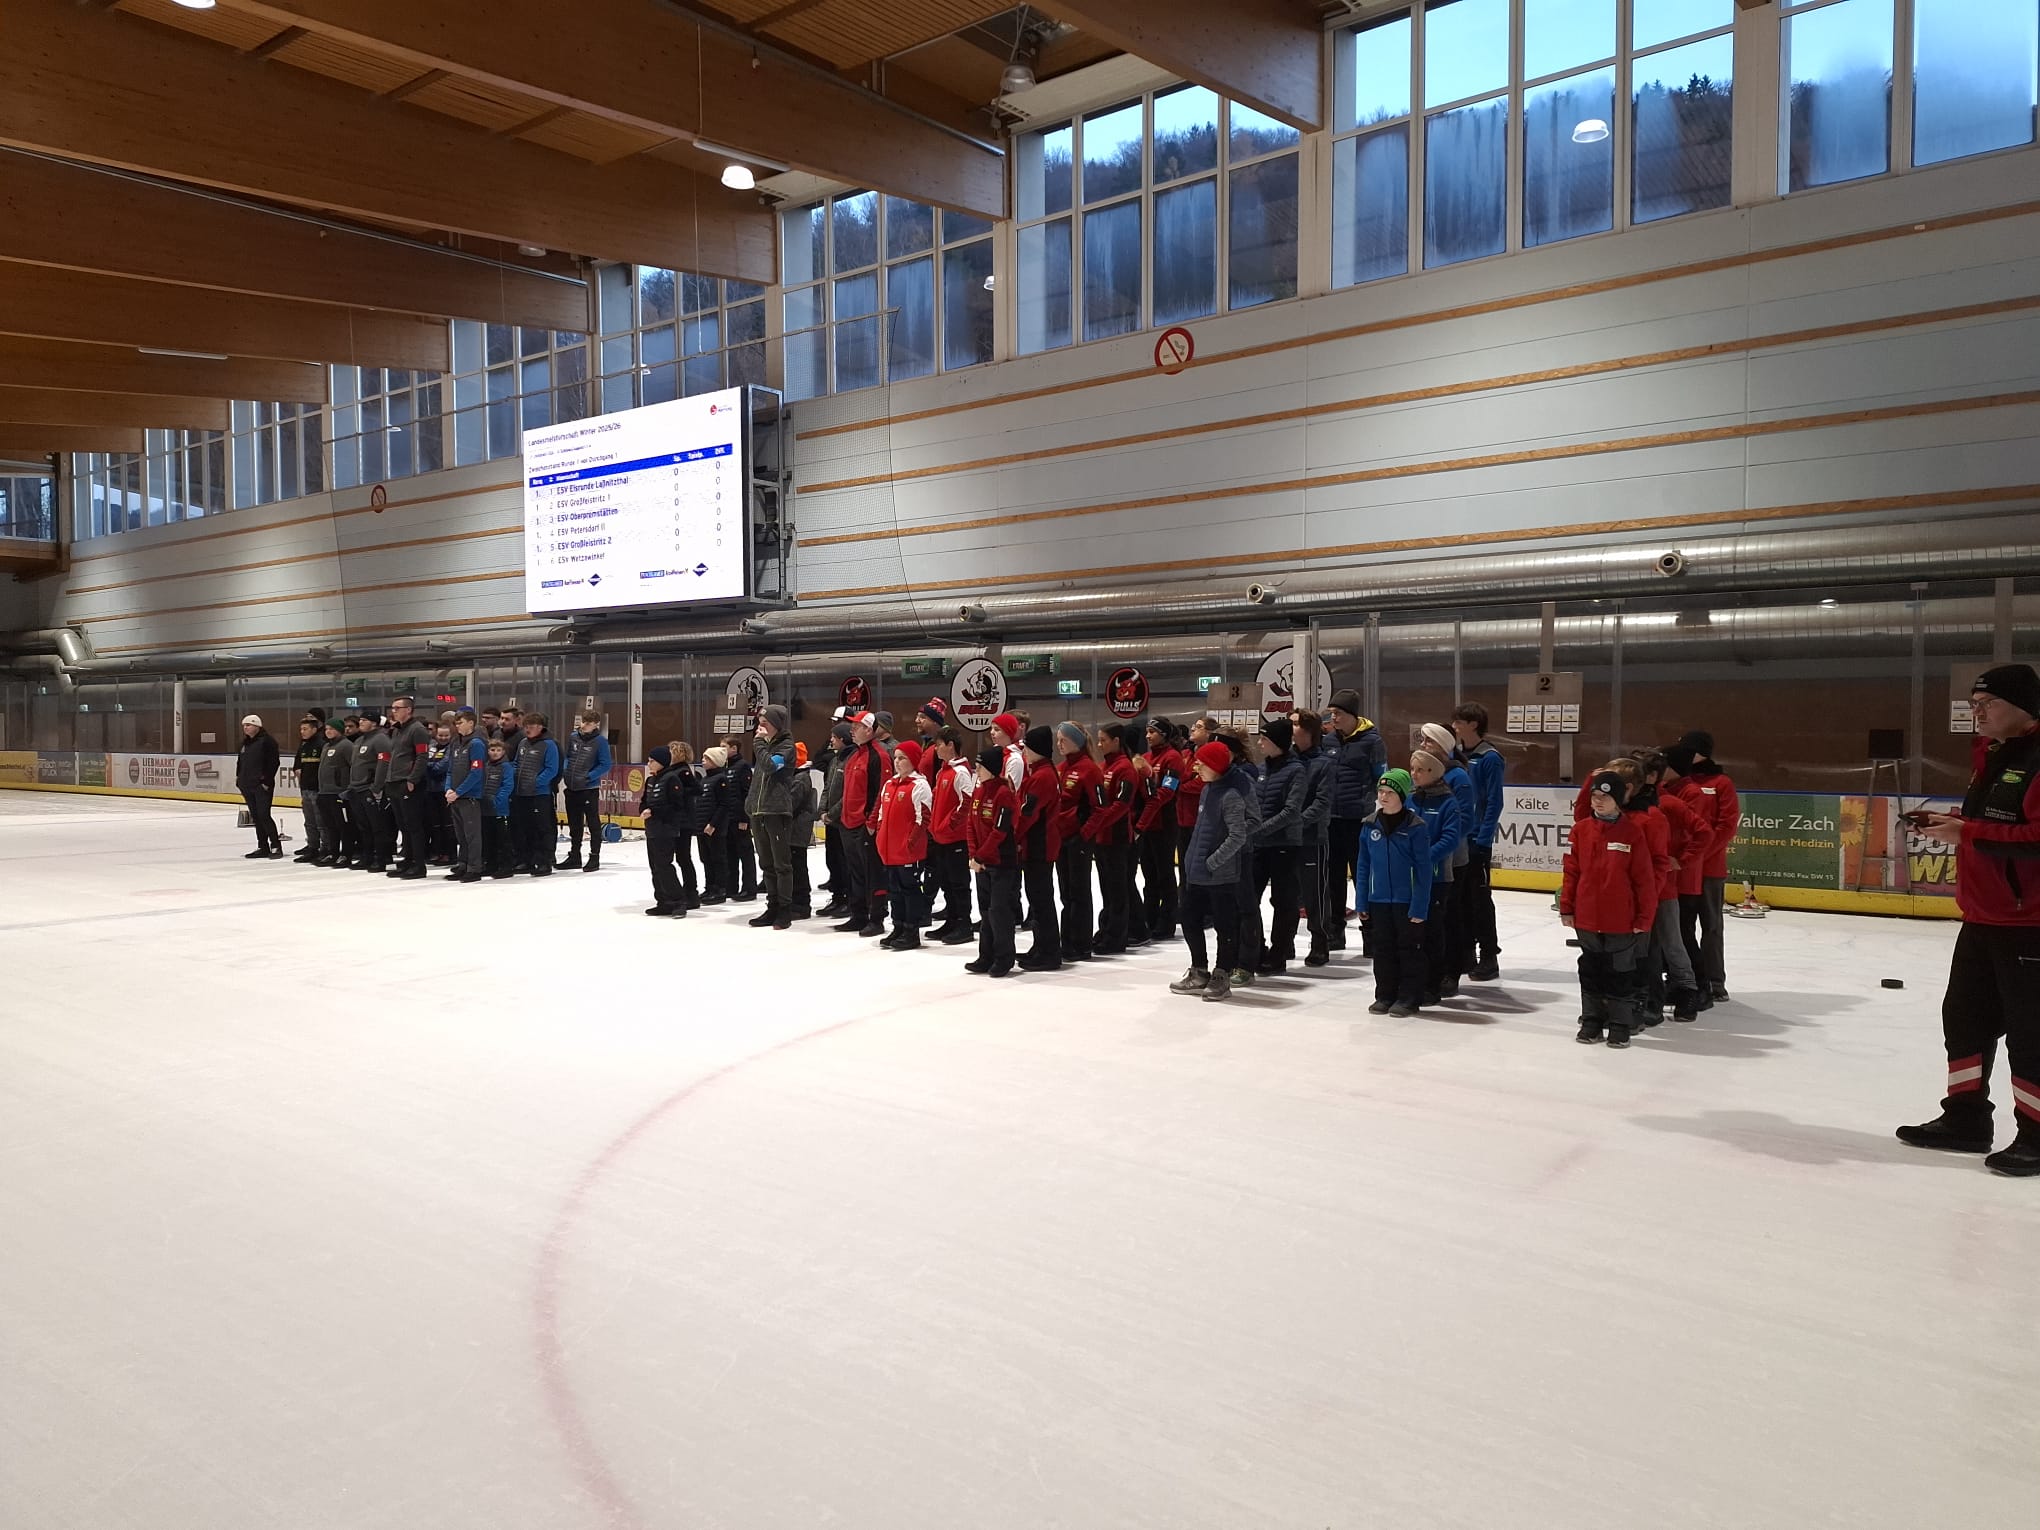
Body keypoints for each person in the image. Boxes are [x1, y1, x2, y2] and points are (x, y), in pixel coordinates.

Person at [1899, 664, 2040, 1175]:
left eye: (1987, 703)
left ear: (2023, 706)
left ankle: (2036, 1136)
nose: (1976, 712)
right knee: (1964, 1021)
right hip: (1983, 918)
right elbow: (1991, 826)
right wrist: (1956, 825)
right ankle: (1965, 1119)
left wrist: (1968, 833)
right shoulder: (1992, 755)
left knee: (2031, 1034)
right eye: (1974, 704)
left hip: (2028, 925)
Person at [1561, 770, 1660, 1049]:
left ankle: (1620, 1024)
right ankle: (1592, 1020)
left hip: (1620, 919)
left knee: (1620, 972)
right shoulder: (1581, 830)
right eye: (1595, 796)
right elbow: (1571, 871)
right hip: (1587, 917)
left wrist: (1644, 917)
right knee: (1591, 969)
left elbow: (1644, 880)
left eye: (1604, 797)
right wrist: (1567, 907)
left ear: (1618, 799)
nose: (1598, 801)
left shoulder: (1632, 833)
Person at [1171, 741, 1259, 1002]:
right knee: (1189, 918)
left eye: (1201, 763)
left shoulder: (1231, 795)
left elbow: (1238, 834)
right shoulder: (1208, 790)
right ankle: (1199, 969)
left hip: (1220, 875)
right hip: (1197, 871)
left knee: (1224, 925)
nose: (1196, 766)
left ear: (1216, 766)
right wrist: (1192, 861)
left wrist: (1213, 861)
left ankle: (1222, 974)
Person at [1359, 768, 1432, 1017]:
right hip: (1378, 899)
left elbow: (1423, 870)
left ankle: (1409, 997)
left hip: (1406, 901)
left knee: (1408, 950)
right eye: (1381, 791)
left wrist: (1419, 906)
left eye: (1389, 792)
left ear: (1402, 795)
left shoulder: (1416, 827)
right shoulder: (1369, 825)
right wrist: (1362, 901)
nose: (1383, 796)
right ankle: (1384, 994)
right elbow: (1363, 866)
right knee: (1382, 950)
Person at [1245, 717, 1308, 975]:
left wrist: (1260, 829)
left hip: (1284, 844)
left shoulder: (1296, 770)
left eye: (1264, 739)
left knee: (1283, 901)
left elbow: (1292, 810)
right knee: (1249, 898)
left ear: (1278, 743)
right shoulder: (1260, 770)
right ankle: (1256, 948)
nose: (1259, 743)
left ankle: (1279, 952)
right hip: (1259, 845)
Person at [1679, 729, 1738, 1003]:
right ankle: (1687, 978)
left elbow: (1727, 825)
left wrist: (1699, 854)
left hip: (1709, 869)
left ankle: (1715, 979)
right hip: (1683, 869)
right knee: (1683, 926)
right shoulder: (1679, 781)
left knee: (1712, 926)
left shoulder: (1721, 783)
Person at [1326, 690, 1386, 954]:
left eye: (1338, 713)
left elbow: (1380, 777)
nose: (1333, 718)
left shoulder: (1372, 741)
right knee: (1333, 879)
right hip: (1332, 820)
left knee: (1363, 878)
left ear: (1352, 715)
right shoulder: (1329, 740)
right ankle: (1335, 932)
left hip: (1358, 820)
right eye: (1332, 713)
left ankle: (1371, 934)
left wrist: (1370, 803)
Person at [1421, 722, 1478, 994]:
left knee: (1451, 916)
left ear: (1443, 747)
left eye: (1429, 741)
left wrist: (1442, 846)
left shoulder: (1458, 777)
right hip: (1428, 857)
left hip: (1452, 860)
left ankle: (1452, 971)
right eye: (1423, 741)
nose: (1423, 746)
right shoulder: (1426, 774)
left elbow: (1465, 820)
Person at [1451, 702, 1506, 980]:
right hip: (1459, 839)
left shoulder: (1489, 758)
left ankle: (1488, 955)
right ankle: (1466, 953)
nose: (1455, 726)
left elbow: (1495, 801)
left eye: (1459, 722)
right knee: (1461, 899)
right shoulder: (1457, 755)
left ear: (1474, 724)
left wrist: (1483, 839)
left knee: (1480, 899)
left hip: (1477, 840)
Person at [1406, 748, 1464, 1007]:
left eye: (1420, 770)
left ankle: (1432, 984)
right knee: (1411, 933)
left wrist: (1424, 859)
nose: (1414, 774)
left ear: (1434, 772)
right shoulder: (1410, 799)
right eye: (1412, 769)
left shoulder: (1448, 802)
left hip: (1437, 878)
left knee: (1432, 932)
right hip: (1409, 877)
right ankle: (1412, 982)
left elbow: (1450, 839)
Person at [964, 746, 1020, 979]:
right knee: (985, 911)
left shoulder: (1003, 794)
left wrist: (980, 856)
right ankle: (985, 956)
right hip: (981, 864)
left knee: (999, 911)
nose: (976, 770)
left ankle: (1003, 957)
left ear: (991, 768)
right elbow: (970, 824)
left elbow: (1000, 831)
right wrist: (973, 855)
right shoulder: (979, 791)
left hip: (1000, 863)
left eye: (980, 767)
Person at [1087, 723, 1142, 955]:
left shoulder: (1125, 768)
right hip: (1101, 838)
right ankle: (1106, 929)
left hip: (1117, 837)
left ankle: (1117, 937)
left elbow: (1122, 804)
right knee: (1106, 889)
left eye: (1103, 740)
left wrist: (1098, 822)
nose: (1099, 744)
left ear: (1117, 741)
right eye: (1098, 740)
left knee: (1118, 890)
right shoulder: (1103, 767)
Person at [835, 711, 890, 937]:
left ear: (868, 729)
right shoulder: (854, 755)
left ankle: (876, 918)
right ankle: (858, 914)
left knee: (873, 873)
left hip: (865, 826)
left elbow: (881, 791)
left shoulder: (879, 756)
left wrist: (871, 822)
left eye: (856, 727)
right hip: (848, 824)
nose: (852, 730)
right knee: (855, 872)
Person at [748, 704, 803, 929]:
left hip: (776, 812)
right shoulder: (766, 745)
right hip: (759, 811)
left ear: (777, 725)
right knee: (766, 863)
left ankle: (784, 910)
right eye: (759, 722)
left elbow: (771, 766)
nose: (760, 727)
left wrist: (758, 744)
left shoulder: (786, 747)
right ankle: (772, 906)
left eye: (765, 722)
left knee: (781, 864)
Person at [876, 740, 934, 950]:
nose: (897, 762)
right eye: (896, 758)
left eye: (902, 758)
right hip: (890, 851)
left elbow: (923, 818)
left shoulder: (919, 785)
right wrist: (880, 837)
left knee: (909, 890)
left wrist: (910, 843)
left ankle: (911, 931)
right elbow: (881, 815)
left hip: (908, 852)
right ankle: (898, 926)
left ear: (913, 761)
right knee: (894, 891)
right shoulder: (889, 785)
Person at [1054, 722, 1104, 962]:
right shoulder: (1061, 768)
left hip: (1078, 840)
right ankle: (1067, 940)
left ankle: (1081, 944)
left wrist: (1084, 835)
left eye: (1063, 740)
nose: (1059, 744)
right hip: (1061, 838)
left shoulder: (1089, 770)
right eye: (1057, 739)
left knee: (1079, 892)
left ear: (1076, 741)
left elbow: (1100, 808)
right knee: (1066, 893)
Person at [1292, 711, 1338, 967]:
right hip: (1285, 838)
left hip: (1312, 837)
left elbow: (1322, 802)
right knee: (1285, 894)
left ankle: (1320, 942)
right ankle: (1283, 942)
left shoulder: (1324, 763)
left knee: (1315, 894)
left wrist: (1296, 822)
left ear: (1309, 730)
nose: (1291, 728)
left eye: (1295, 724)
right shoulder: (1286, 760)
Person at [1016, 725, 1064, 971]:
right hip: (1039, 844)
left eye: (1026, 747)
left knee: (1041, 899)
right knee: (1038, 899)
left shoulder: (1042, 777)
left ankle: (1048, 952)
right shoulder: (1042, 773)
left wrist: (1013, 836)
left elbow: (1027, 814)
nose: (1024, 752)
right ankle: (1041, 946)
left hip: (1039, 845)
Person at [926, 727, 977, 945]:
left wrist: (949, 825)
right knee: (947, 882)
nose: (935, 749)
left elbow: (967, 801)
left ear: (950, 745)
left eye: (938, 745)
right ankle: (952, 920)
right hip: (941, 837)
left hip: (955, 838)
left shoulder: (961, 772)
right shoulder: (943, 772)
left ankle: (964, 924)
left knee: (959, 883)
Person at [1135, 717, 1184, 941]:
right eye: (1147, 731)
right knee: (1149, 875)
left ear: (1163, 735)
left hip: (1165, 823)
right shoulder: (1146, 758)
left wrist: (1150, 803)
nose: (1148, 736)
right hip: (1147, 824)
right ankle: (1150, 917)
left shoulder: (1173, 758)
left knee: (1164, 875)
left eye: (1152, 732)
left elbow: (1167, 792)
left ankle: (1167, 922)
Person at [556, 711, 613, 872]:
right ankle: (575, 855)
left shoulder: (600, 742)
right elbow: (568, 756)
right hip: (571, 786)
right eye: (583, 721)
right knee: (574, 823)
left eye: (588, 723)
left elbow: (605, 764)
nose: (584, 725)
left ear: (596, 724)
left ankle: (594, 856)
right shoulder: (573, 737)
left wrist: (589, 776)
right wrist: (566, 769)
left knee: (593, 823)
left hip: (589, 788)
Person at [384, 695, 432, 880]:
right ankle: (408, 860)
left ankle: (418, 865)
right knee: (403, 825)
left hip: (408, 782)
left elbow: (422, 756)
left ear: (409, 710)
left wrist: (412, 779)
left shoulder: (417, 730)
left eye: (397, 708)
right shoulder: (397, 730)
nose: (393, 711)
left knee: (413, 825)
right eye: (393, 708)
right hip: (394, 782)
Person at [639, 745, 690, 917]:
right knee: (655, 867)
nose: (649, 764)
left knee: (664, 866)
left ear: (661, 762)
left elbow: (676, 806)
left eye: (652, 761)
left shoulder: (672, 779)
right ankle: (663, 901)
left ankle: (678, 901)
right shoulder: (650, 780)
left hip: (666, 829)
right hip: (652, 829)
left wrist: (654, 812)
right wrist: (644, 809)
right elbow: (644, 801)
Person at [511, 712, 561, 875]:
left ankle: (544, 861)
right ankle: (527, 860)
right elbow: (517, 763)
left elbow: (551, 769)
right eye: (525, 727)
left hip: (540, 795)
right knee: (525, 828)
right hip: (521, 793)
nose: (527, 730)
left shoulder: (549, 745)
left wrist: (535, 782)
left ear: (540, 727)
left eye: (531, 727)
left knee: (542, 828)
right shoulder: (523, 743)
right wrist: (514, 776)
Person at [442, 708, 487, 883]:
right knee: (460, 834)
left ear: (471, 723)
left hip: (470, 797)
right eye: (456, 723)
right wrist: (448, 789)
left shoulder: (476, 744)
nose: (457, 726)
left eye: (460, 723)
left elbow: (476, 772)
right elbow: (450, 770)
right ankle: (463, 864)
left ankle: (474, 867)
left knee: (472, 835)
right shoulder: (455, 743)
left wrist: (459, 791)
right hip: (455, 796)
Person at [352, 712, 396, 873]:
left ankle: (381, 858)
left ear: (374, 723)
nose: (361, 722)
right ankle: (367, 856)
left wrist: (377, 787)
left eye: (365, 720)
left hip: (370, 789)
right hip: (357, 788)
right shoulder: (359, 740)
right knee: (364, 826)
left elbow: (384, 764)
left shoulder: (380, 739)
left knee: (378, 826)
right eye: (360, 719)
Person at [818, 721, 854, 917]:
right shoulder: (834, 761)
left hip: (843, 821)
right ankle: (837, 896)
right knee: (832, 860)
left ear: (842, 739)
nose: (830, 740)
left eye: (834, 737)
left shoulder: (852, 760)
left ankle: (848, 899)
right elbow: (827, 787)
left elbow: (848, 793)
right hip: (831, 821)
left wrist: (832, 813)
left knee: (844, 862)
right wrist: (822, 810)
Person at [236, 713, 283, 859]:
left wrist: (266, 782)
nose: (245, 728)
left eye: (248, 725)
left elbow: (273, 763)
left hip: (261, 786)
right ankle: (262, 846)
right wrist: (239, 778)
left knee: (264, 815)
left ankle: (276, 846)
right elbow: (240, 762)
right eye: (244, 725)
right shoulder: (245, 743)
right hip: (247, 784)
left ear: (257, 726)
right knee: (256, 816)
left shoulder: (267, 741)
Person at [721, 735, 758, 902]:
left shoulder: (742, 766)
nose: (721, 750)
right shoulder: (725, 767)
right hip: (728, 818)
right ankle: (731, 886)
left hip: (739, 818)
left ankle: (749, 888)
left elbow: (747, 794)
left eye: (724, 747)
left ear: (734, 748)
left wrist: (745, 818)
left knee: (745, 853)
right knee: (730, 853)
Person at [313, 717, 354, 868]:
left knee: (343, 826)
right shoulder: (326, 746)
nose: (328, 731)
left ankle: (346, 854)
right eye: (326, 729)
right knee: (330, 825)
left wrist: (348, 788)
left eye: (332, 729)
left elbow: (353, 767)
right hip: (325, 792)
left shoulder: (346, 746)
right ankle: (333, 852)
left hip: (339, 792)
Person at [786, 742, 819, 921]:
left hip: (796, 832)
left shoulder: (799, 779)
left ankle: (801, 904)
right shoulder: (797, 777)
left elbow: (791, 804)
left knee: (797, 868)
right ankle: (796, 902)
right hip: (795, 831)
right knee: (795, 866)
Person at [699, 745, 734, 903]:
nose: (703, 760)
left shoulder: (721, 779)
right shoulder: (704, 779)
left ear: (715, 761)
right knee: (706, 858)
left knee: (717, 858)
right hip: (702, 826)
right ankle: (709, 887)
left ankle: (720, 889)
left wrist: (713, 824)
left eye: (706, 758)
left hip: (715, 828)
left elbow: (724, 804)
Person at [478, 735, 516, 878]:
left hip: (500, 809)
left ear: (503, 752)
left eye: (498, 750)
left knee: (503, 839)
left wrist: (497, 800)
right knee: (488, 838)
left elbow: (507, 786)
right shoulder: (485, 766)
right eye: (492, 750)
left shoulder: (506, 767)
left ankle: (506, 866)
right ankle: (490, 864)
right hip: (485, 809)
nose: (495, 753)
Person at [291, 717, 325, 863]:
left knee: (320, 821)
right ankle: (312, 847)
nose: (302, 732)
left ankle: (326, 848)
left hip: (317, 789)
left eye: (305, 729)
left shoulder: (322, 745)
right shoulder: (304, 746)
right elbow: (297, 763)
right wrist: (297, 770)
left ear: (314, 729)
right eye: (301, 729)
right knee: (309, 821)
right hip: (305, 787)